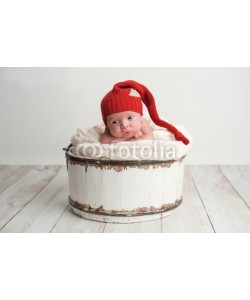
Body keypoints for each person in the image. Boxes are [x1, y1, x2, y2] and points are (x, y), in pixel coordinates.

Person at [100, 80, 189, 145]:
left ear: (140, 117)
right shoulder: (108, 129)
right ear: (107, 125)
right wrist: (124, 139)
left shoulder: (142, 123)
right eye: (115, 122)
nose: (124, 125)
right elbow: (103, 140)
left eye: (130, 118)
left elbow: (149, 137)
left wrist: (135, 140)